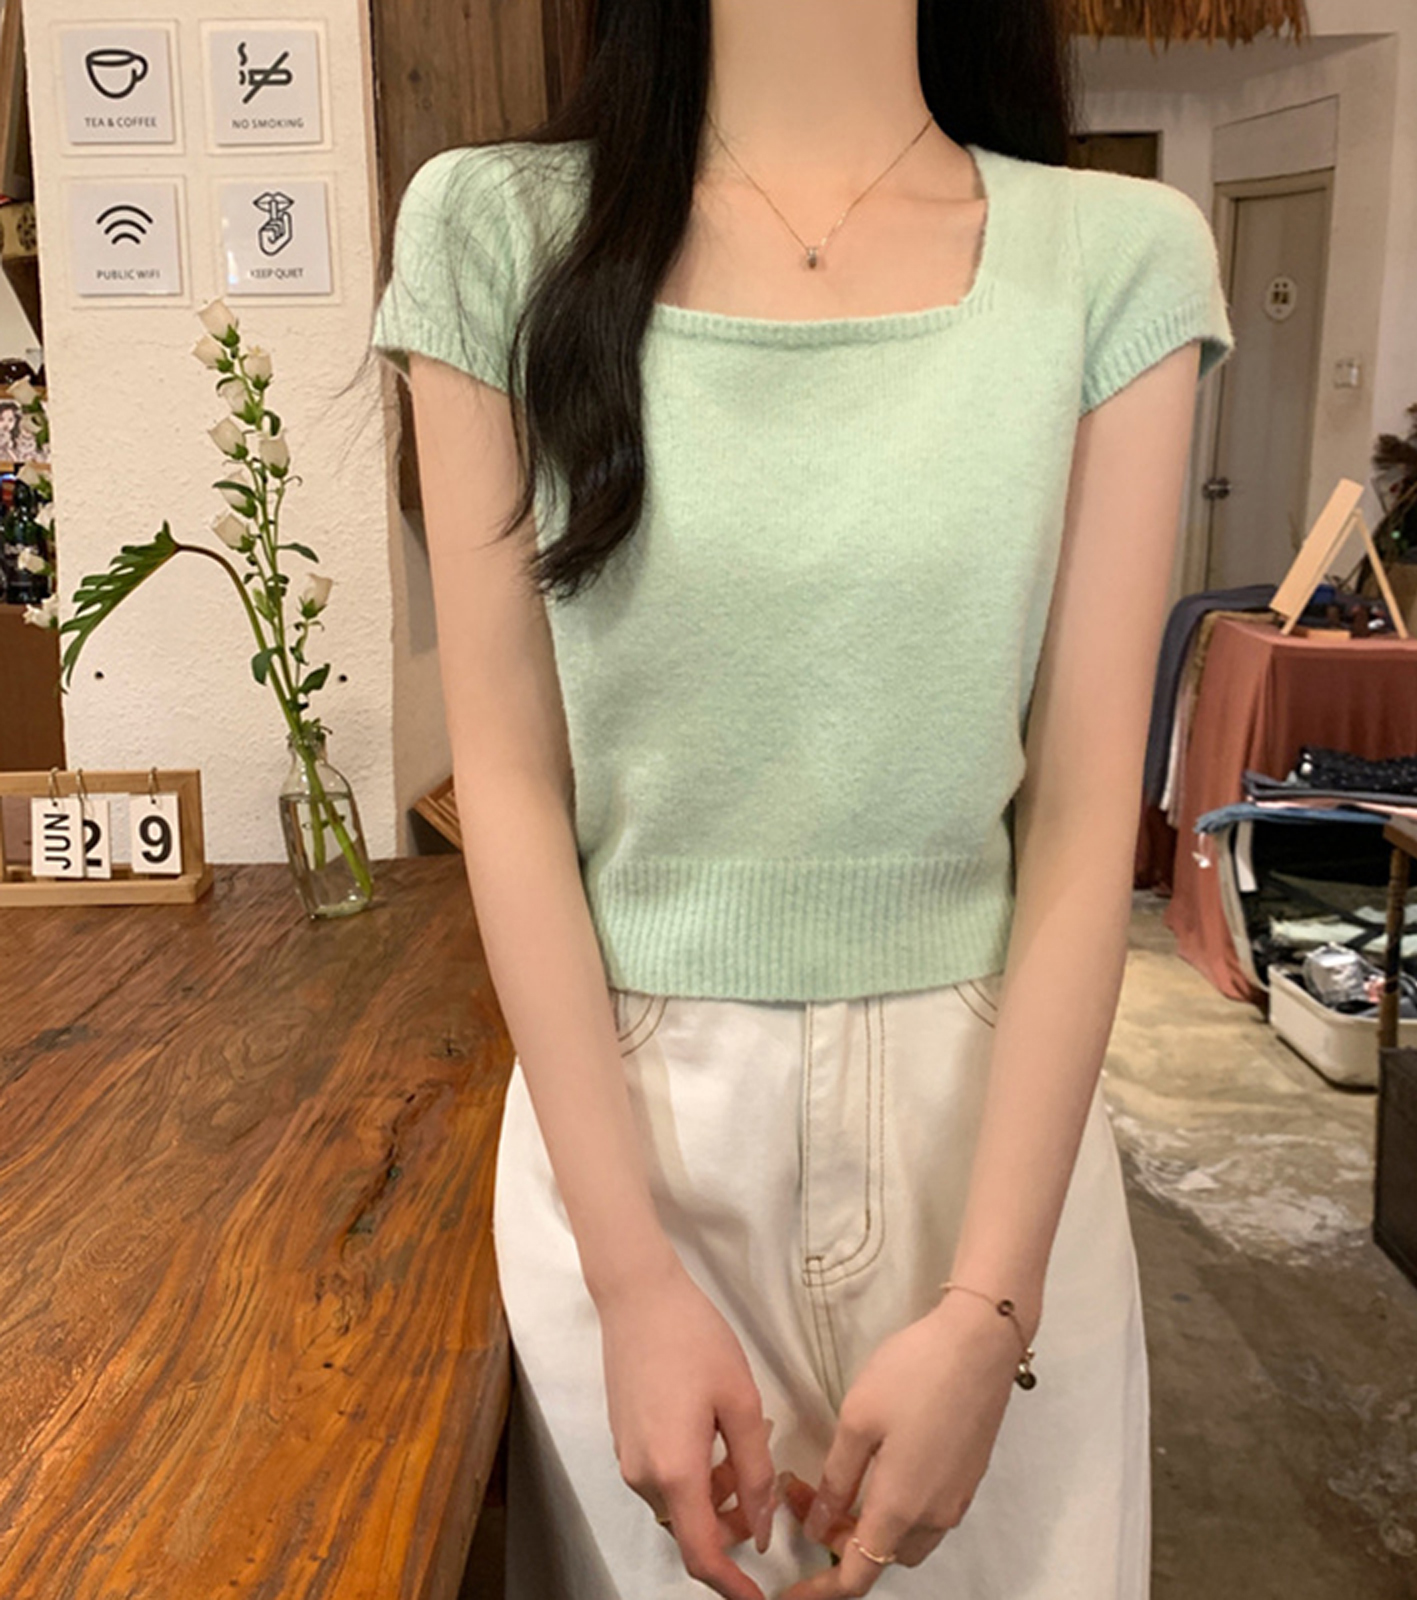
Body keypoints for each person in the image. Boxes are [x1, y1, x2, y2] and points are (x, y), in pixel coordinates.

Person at [369, 2, 1234, 1595]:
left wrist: (991, 1308)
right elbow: (509, 780)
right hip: (632, 1138)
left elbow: (1080, 812)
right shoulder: (491, 234)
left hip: (989, 1141)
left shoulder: (1119, 257)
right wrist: (630, 1281)